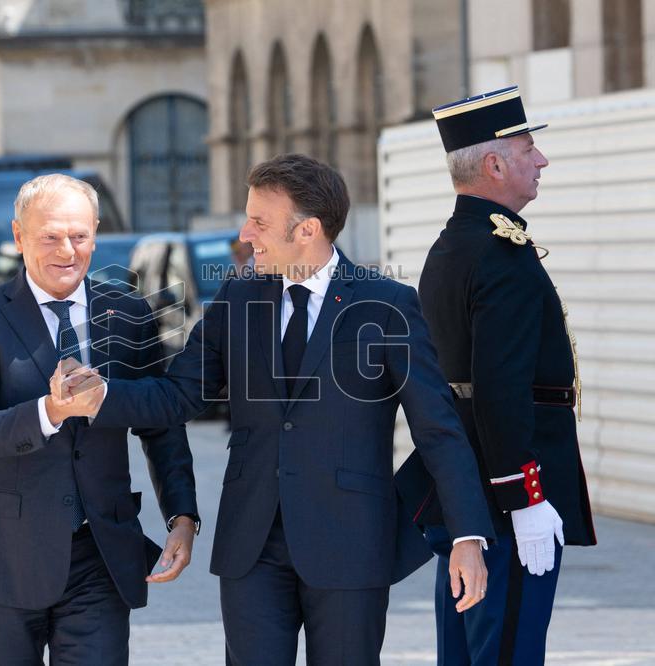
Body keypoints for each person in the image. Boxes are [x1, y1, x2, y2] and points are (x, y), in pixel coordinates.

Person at [57, 154, 494, 665]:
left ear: (307, 229)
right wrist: (102, 396)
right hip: (252, 545)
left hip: (351, 544)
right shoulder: (237, 298)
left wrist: (467, 535)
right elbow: (179, 395)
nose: (246, 235)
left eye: (259, 222)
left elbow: (438, 428)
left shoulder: (387, 304)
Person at [0, 174, 199, 666]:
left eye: (79, 235)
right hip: (2, 559)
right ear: (18, 236)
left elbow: (160, 423)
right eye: (50, 236)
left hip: (100, 556)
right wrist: (50, 411)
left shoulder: (129, 314)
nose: (67, 250)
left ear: (95, 233)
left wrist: (183, 517)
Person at [417, 85, 597, 665]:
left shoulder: (454, 244)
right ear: (494, 165)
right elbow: (498, 387)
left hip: (467, 489)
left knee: (466, 650)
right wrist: (524, 498)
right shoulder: (501, 251)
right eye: (527, 149)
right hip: (504, 499)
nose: (541, 160)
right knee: (509, 648)